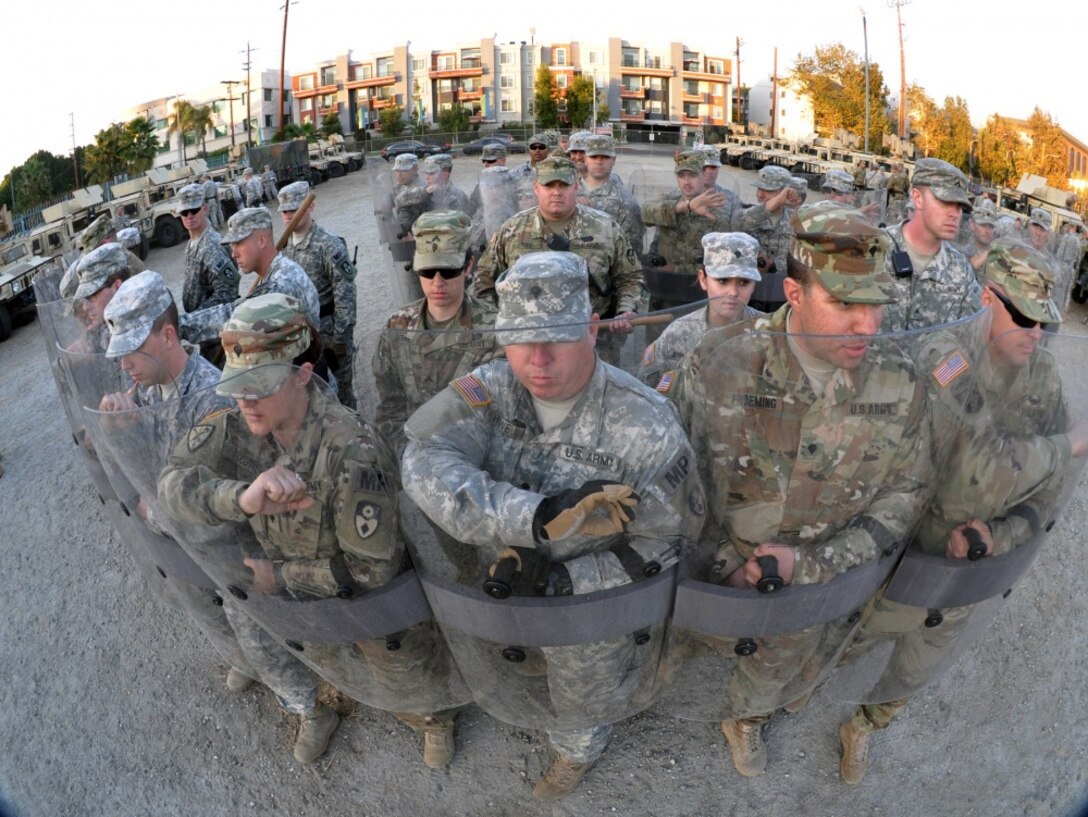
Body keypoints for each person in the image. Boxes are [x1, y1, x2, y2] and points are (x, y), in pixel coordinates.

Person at [402, 251, 704, 800]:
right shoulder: (488, 389)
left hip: (587, 609)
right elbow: (422, 454)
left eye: (557, 338)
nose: (537, 359)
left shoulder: (645, 424)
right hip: (498, 581)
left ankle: (576, 751)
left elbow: (672, 542)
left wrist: (568, 584)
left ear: (592, 329)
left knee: (580, 695)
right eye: (520, 338)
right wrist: (536, 517)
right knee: (509, 663)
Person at [661, 201, 932, 779]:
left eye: (876, 304)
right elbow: (672, 476)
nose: (869, 326)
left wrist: (813, 564)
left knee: (781, 671)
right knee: (692, 650)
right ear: (793, 291)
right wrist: (717, 563)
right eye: (845, 305)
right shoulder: (719, 363)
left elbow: (904, 496)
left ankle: (749, 717)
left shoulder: (900, 380)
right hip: (717, 580)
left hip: (821, 589)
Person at [158, 294, 463, 767]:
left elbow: (371, 572)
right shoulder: (240, 422)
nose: (245, 399)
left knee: (405, 670)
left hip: (366, 601)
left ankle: (433, 720)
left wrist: (279, 578)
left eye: (260, 383)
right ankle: (329, 689)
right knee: (320, 653)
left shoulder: (352, 450)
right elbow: (171, 483)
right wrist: (238, 497)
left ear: (302, 373)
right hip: (297, 588)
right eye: (238, 384)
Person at [836, 239, 1086, 783]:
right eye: (1021, 315)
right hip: (903, 557)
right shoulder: (945, 357)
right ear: (985, 299)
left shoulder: (1041, 377)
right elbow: (981, 459)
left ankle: (865, 724)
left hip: (966, 570)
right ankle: (793, 693)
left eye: (1044, 320)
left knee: (920, 663)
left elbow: (1048, 493)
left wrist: (1000, 534)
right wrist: (1068, 445)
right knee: (849, 637)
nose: (1036, 332)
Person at [96, 269, 257, 692]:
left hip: (226, 550)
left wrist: (155, 509)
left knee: (259, 631)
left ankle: (305, 705)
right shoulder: (147, 393)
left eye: (133, 348)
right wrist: (123, 431)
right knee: (211, 616)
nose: (123, 363)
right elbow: (147, 469)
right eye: (120, 351)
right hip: (181, 544)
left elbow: (213, 504)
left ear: (168, 336)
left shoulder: (210, 397)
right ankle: (243, 660)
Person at [472, 156, 644, 365]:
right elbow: (483, 281)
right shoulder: (511, 230)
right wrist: (498, 325)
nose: (556, 191)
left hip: (590, 344)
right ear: (536, 188)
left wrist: (625, 311)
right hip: (528, 348)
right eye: (549, 185)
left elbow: (630, 277)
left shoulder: (605, 228)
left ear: (576, 187)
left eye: (563, 184)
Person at [373, 210, 501, 458]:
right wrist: (403, 457)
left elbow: (500, 416)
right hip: (413, 456)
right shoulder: (397, 325)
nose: (438, 282)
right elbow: (389, 406)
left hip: (475, 460)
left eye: (449, 270)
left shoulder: (494, 328)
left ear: (468, 265)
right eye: (428, 272)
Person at [178, 207, 320, 347]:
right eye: (232, 245)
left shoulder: (281, 283)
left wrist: (181, 326)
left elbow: (235, 316)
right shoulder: (278, 271)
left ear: (261, 241)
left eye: (239, 243)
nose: (233, 254)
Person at [639, 232, 764, 386]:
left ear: (754, 285)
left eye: (744, 282)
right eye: (723, 281)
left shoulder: (768, 332)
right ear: (703, 279)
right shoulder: (677, 335)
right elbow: (647, 391)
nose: (733, 292)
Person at [277, 181, 358, 408]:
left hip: (329, 332)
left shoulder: (328, 245)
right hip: (301, 335)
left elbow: (346, 297)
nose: (288, 216)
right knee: (312, 397)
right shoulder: (285, 246)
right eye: (284, 211)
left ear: (309, 207)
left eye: (293, 209)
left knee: (341, 396)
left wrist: (340, 341)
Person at [881, 158, 981, 331]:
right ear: (917, 198)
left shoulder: (962, 272)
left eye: (959, 206)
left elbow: (967, 340)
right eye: (945, 202)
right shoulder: (874, 249)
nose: (955, 214)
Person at [175, 183, 241, 331]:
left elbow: (227, 293)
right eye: (184, 212)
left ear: (204, 208)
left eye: (194, 210)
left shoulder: (212, 245)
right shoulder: (193, 242)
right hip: (201, 323)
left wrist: (195, 318)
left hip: (214, 327)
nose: (189, 216)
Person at [577, 135, 644, 262]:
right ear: (585, 159)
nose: (599, 161)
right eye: (594, 156)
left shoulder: (625, 202)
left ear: (614, 160)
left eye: (605, 157)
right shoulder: (567, 192)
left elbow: (632, 253)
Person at [958, 197, 998, 276]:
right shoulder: (962, 254)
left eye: (991, 226)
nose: (987, 231)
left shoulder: (998, 255)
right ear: (972, 225)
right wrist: (986, 254)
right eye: (983, 225)